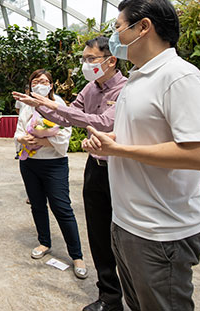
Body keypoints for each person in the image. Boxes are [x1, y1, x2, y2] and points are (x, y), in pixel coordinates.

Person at [82, 0, 200, 311]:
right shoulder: (139, 78)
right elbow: (145, 134)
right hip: (130, 223)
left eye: (119, 27)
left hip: (162, 233)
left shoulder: (179, 77)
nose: (115, 36)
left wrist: (122, 149)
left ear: (143, 27)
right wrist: (111, 141)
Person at [13, 36, 126, 311]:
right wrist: (40, 105)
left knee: (123, 235)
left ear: (111, 60)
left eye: (91, 59)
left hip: (122, 169)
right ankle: (109, 297)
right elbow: (67, 117)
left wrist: (52, 106)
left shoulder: (126, 89)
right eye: (84, 59)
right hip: (95, 167)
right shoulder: (90, 88)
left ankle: (131, 293)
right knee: (98, 232)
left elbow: (102, 122)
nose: (86, 64)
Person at [14, 69, 88, 280]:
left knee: (62, 207)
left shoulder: (59, 104)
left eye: (45, 81)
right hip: (29, 164)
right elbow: (20, 130)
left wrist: (44, 141)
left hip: (54, 164)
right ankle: (44, 241)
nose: (41, 84)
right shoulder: (27, 105)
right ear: (30, 85)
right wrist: (23, 139)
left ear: (52, 85)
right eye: (36, 81)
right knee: (37, 205)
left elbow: (65, 132)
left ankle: (77, 255)